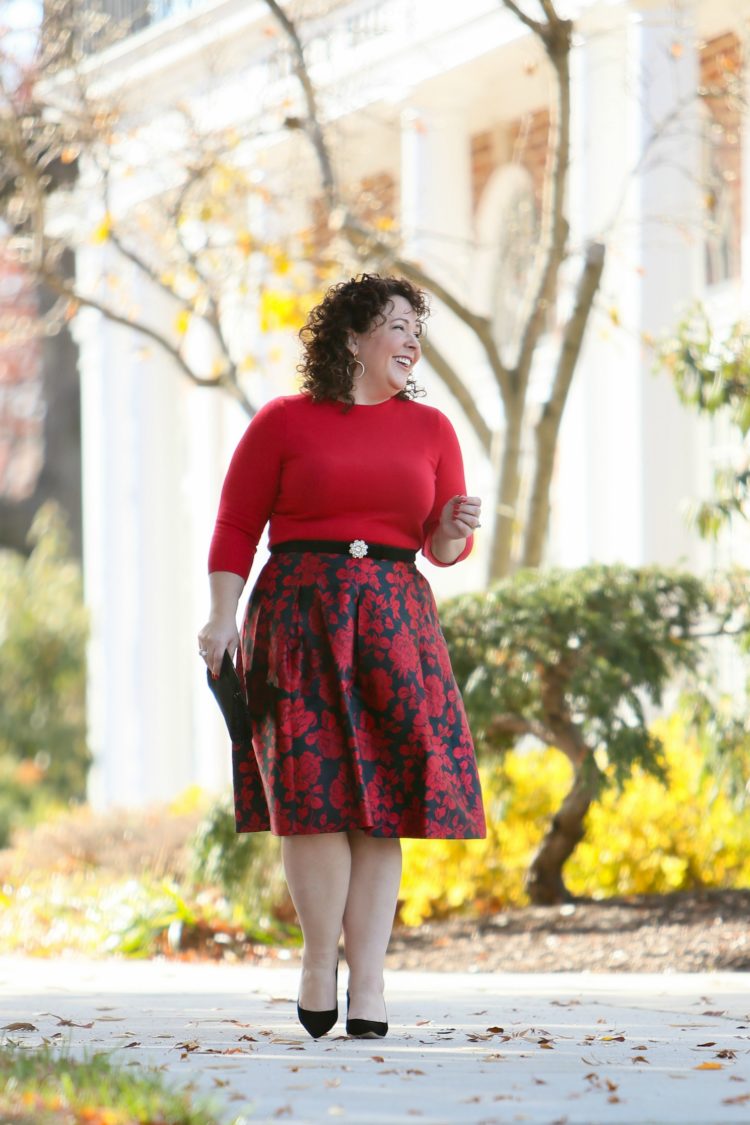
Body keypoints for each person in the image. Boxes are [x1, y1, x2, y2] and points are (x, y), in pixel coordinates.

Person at [198, 273, 486, 1041]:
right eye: (396, 325)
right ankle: (317, 962)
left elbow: (444, 545)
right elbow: (234, 528)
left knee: (381, 803)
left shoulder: (433, 430)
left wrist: (454, 526)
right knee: (313, 796)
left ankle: (372, 980)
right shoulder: (283, 422)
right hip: (298, 615)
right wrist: (222, 617)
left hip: (394, 615)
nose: (412, 339)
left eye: (416, 328)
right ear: (352, 338)